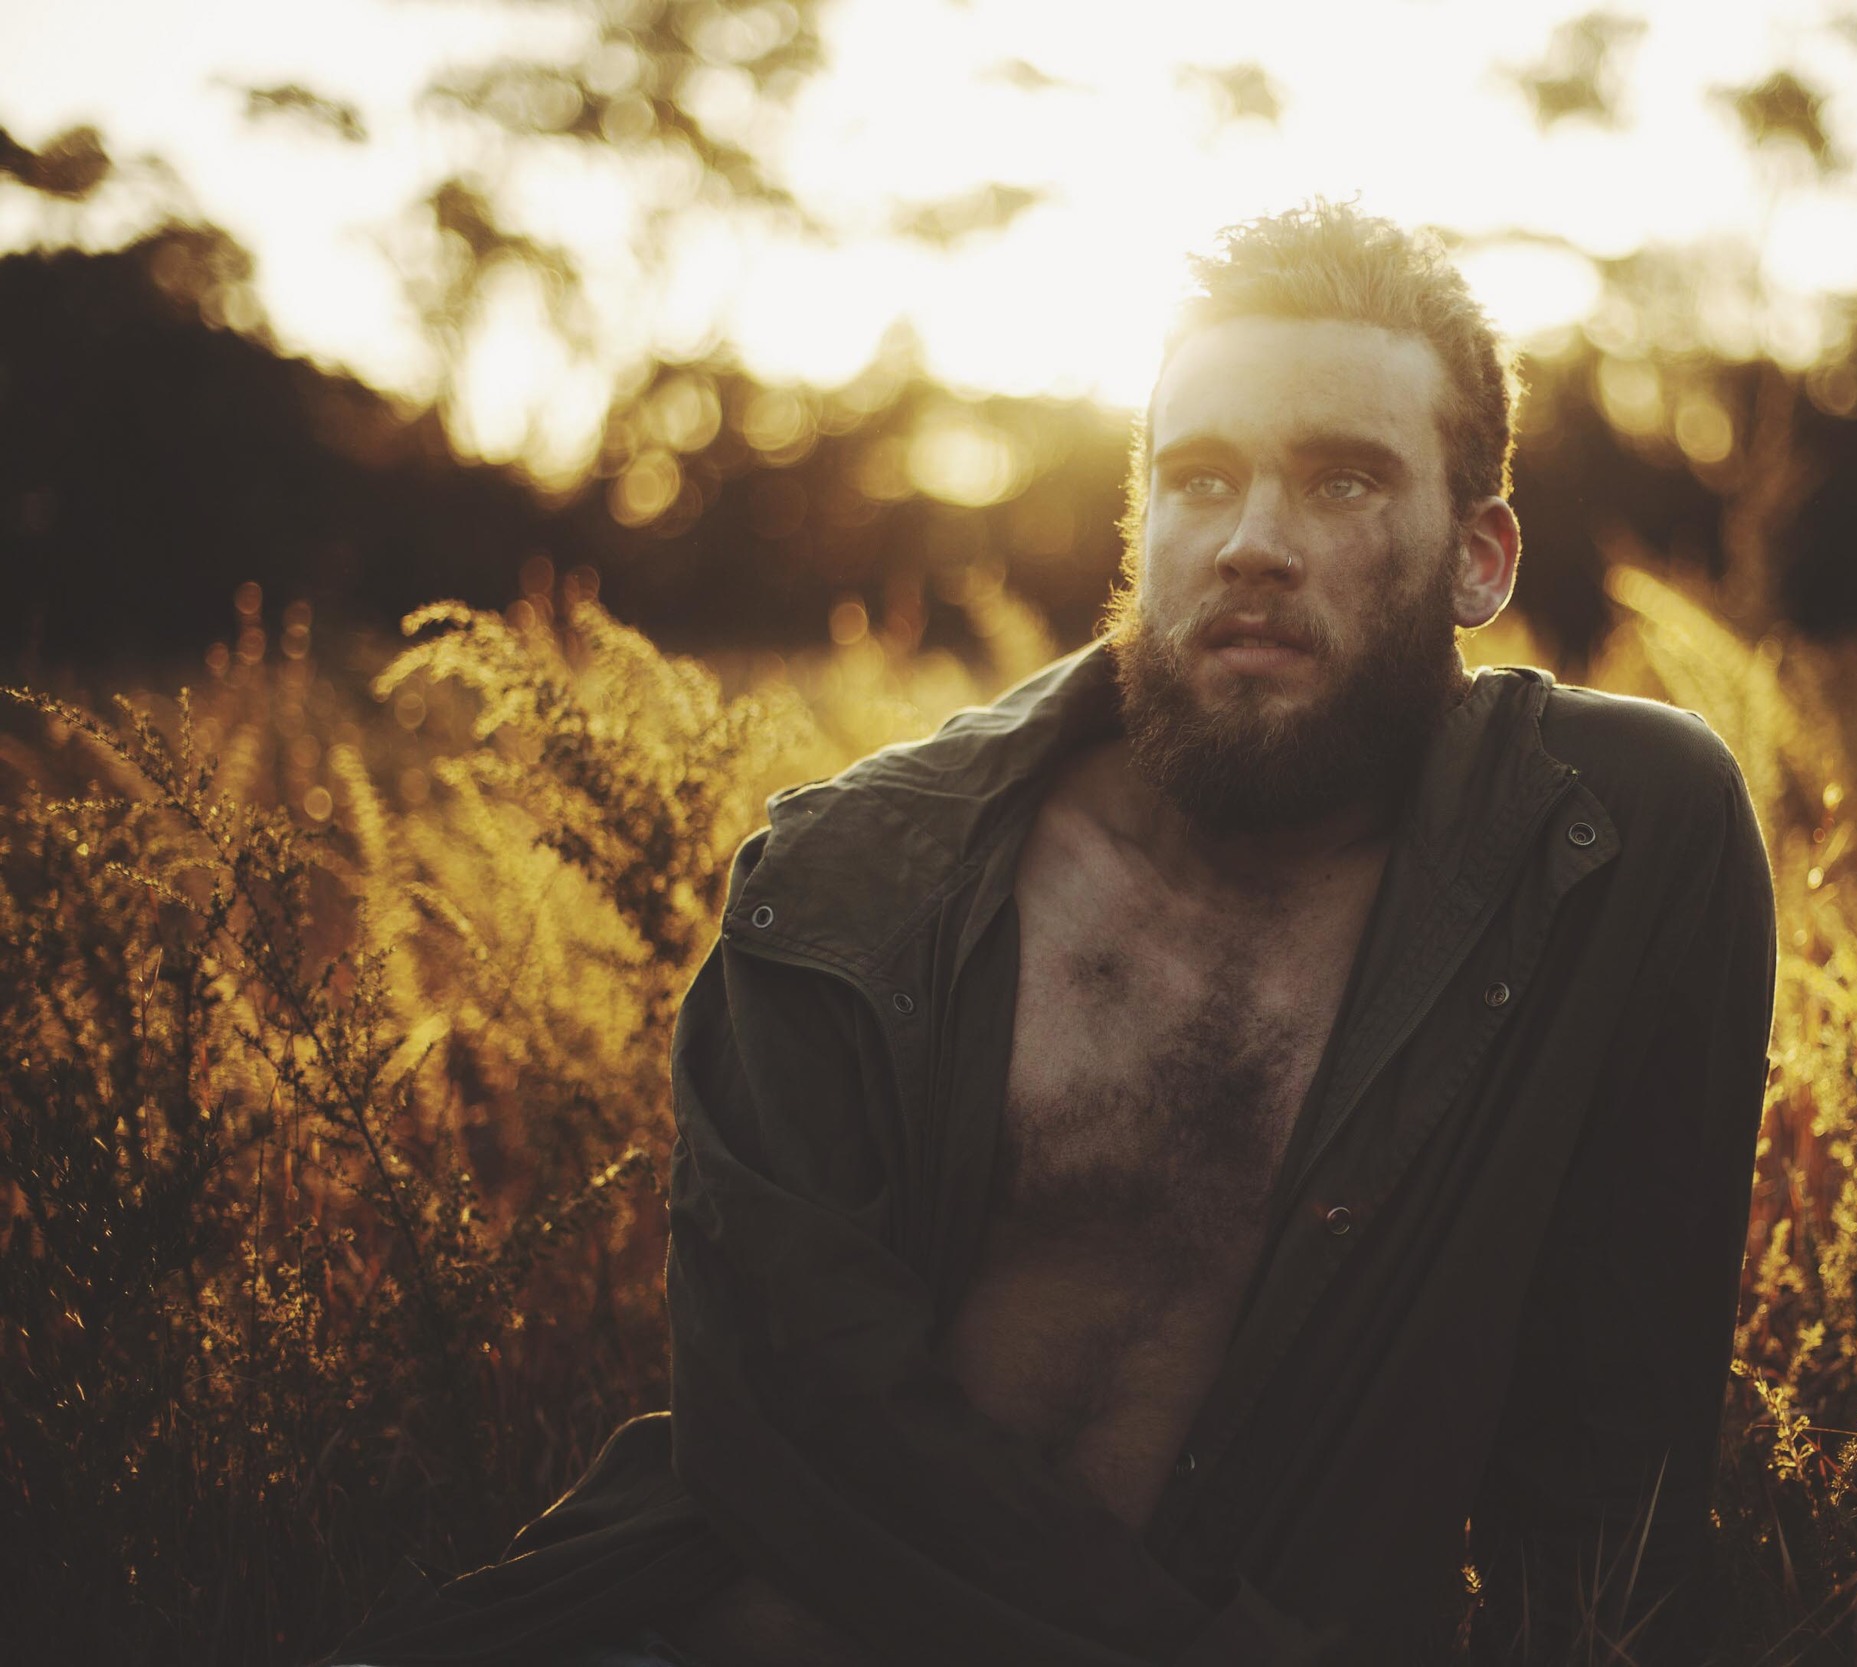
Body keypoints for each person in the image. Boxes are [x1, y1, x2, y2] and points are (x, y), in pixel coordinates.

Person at [325, 200, 1777, 1667]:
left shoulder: (1612, 841)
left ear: (1480, 558)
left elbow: (1615, 1461)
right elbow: (792, 1425)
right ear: (1142, 529)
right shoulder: (856, 881)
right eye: (1200, 479)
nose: (1254, 543)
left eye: (1342, 483)